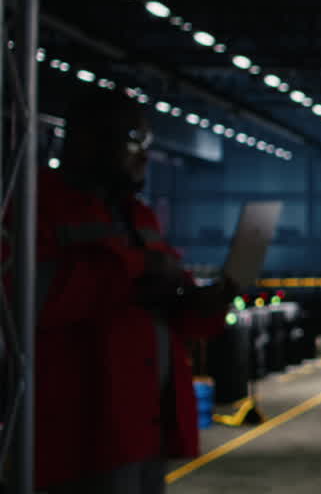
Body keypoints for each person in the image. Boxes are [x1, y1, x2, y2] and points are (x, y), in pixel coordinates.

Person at [4, 87, 234, 493]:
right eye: (133, 140)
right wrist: (137, 267)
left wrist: (205, 304)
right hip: (78, 436)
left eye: (146, 141)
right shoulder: (33, 207)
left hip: (144, 428)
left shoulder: (138, 217)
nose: (144, 154)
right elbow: (27, 299)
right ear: (87, 140)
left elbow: (169, 312)